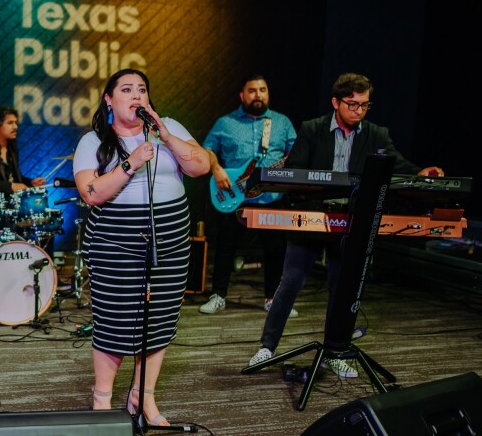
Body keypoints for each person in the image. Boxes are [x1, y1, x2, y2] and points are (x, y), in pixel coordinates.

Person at [247, 72, 444, 378]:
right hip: (313, 216)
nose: (359, 111)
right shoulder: (312, 129)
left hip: (351, 220)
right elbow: (296, 170)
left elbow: (399, 167)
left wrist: (423, 172)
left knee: (343, 288)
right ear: (335, 102)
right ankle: (267, 347)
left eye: (365, 105)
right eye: (352, 104)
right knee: (291, 281)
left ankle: (334, 351)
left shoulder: (377, 134)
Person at [73, 68, 210, 427]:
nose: (136, 96)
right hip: (114, 244)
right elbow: (92, 194)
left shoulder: (170, 129)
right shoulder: (93, 142)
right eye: (127, 89)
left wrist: (166, 135)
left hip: (170, 243)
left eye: (142, 90)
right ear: (109, 99)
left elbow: (202, 166)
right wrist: (131, 163)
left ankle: (143, 396)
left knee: (160, 320)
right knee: (115, 321)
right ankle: (102, 400)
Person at [200, 75, 297, 316]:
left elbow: (296, 153)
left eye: (263, 90)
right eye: (252, 90)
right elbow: (207, 149)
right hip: (234, 197)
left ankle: (272, 299)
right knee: (225, 248)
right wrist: (216, 168)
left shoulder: (282, 123)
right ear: (242, 95)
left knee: (276, 251)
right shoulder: (225, 123)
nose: (258, 95)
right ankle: (218, 295)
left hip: (271, 199)